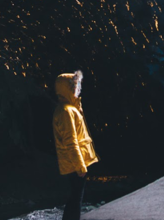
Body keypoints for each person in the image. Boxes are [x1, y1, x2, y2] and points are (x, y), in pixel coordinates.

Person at [53, 71, 99, 220]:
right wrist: (80, 166)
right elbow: (71, 141)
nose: (77, 90)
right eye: (74, 87)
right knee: (76, 199)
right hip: (74, 164)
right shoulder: (67, 111)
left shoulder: (68, 109)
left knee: (75, 197)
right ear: (67, 89)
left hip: (73, 162)